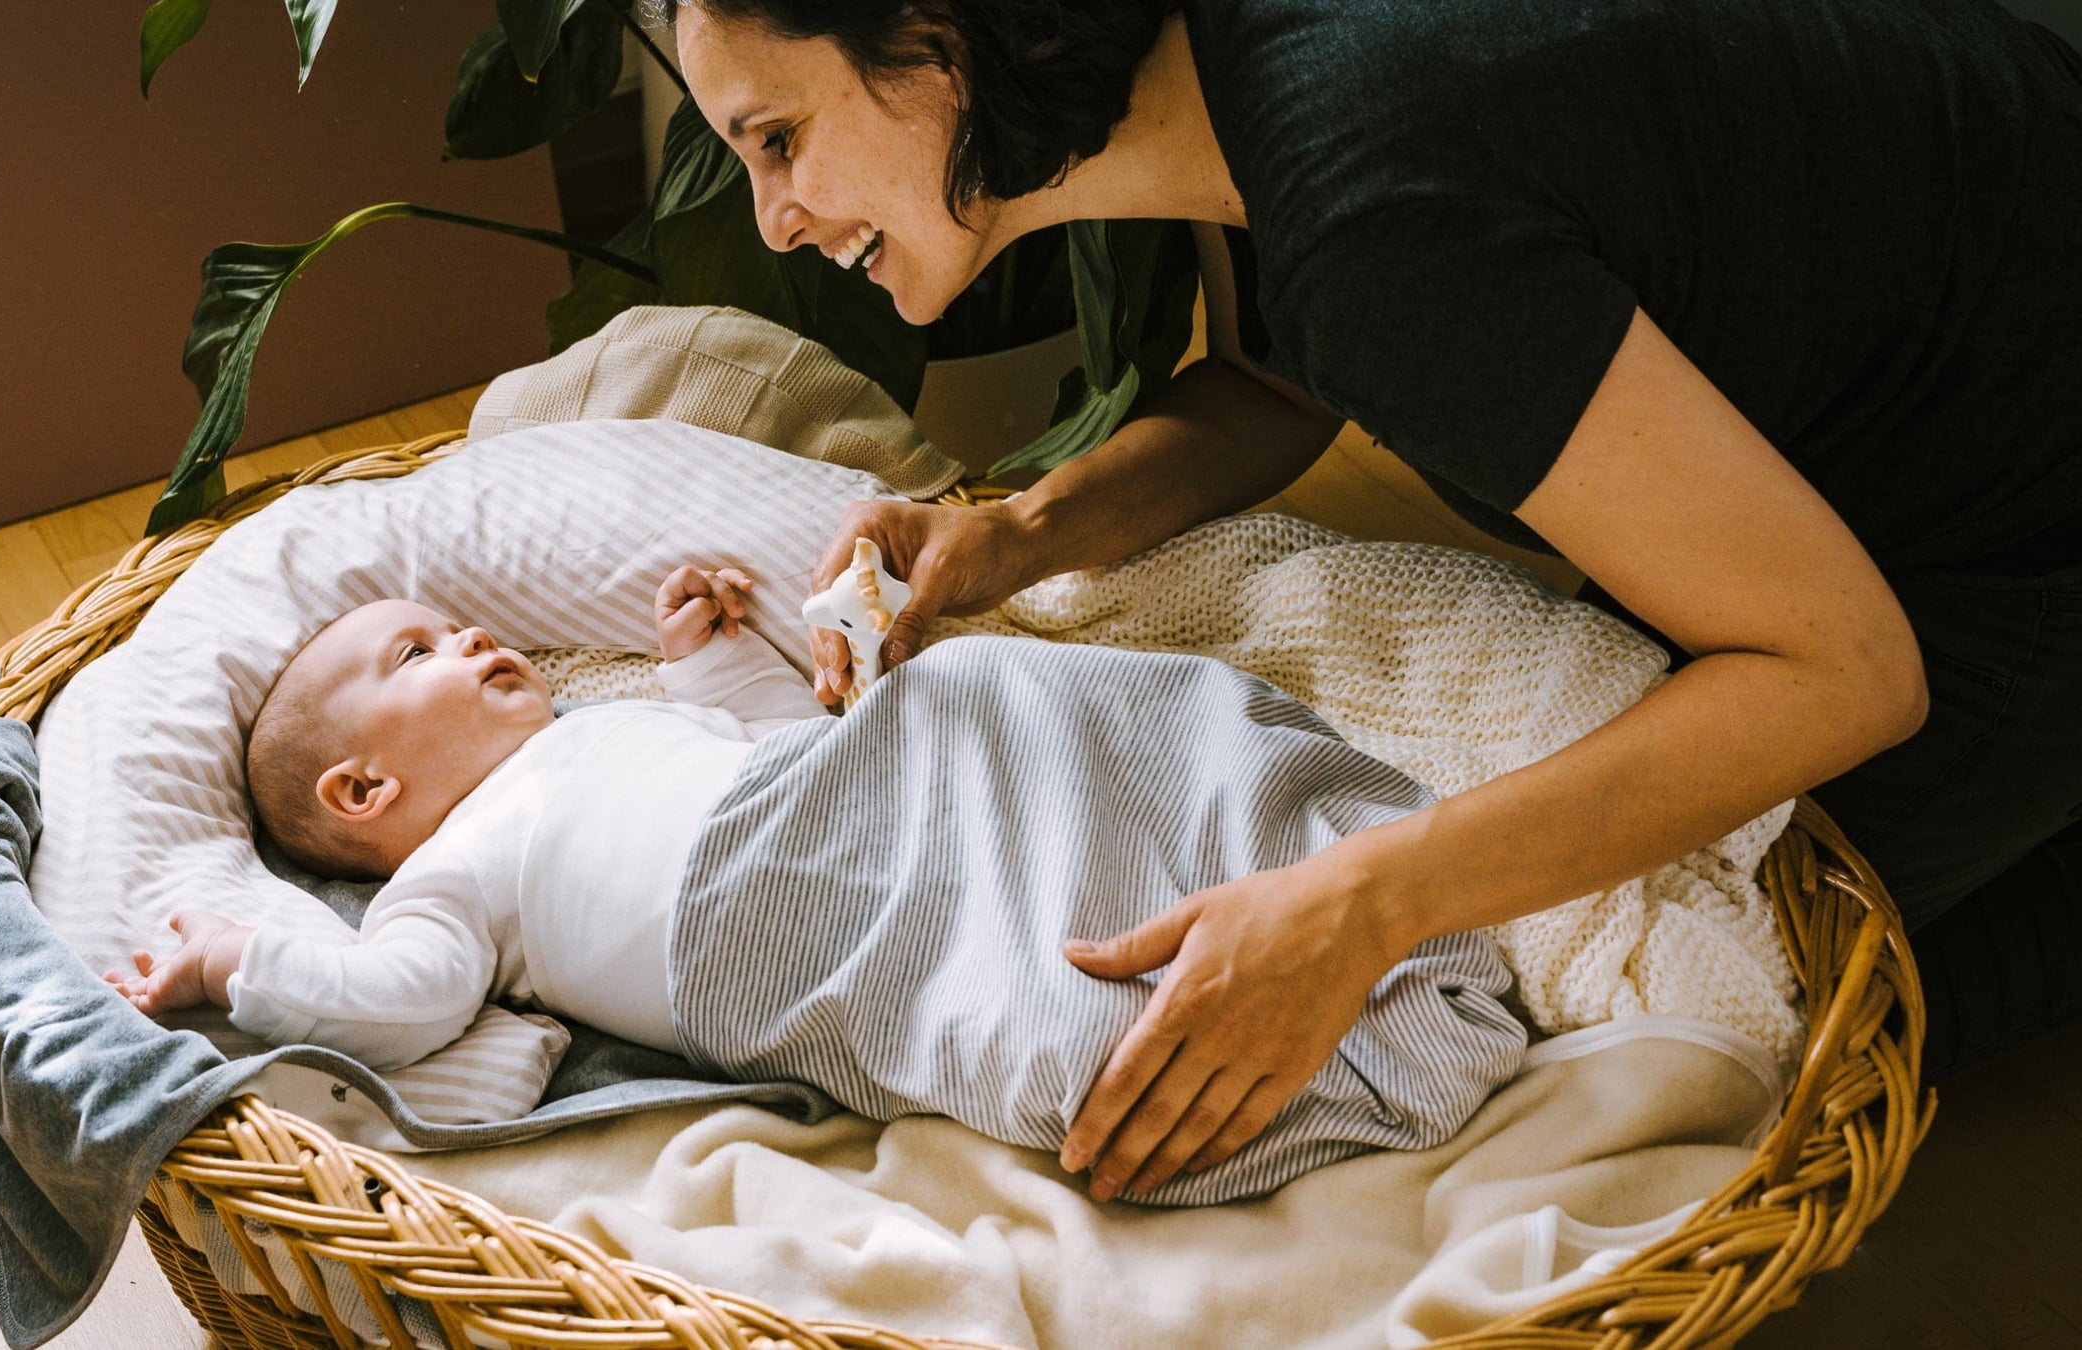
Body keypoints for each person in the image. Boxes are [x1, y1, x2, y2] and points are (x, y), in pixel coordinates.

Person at [662, 0, 2082, 1201]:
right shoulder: (1233, 84)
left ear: (929, 34)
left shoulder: (1372, 208)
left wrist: (1359, 903)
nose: (774, 221)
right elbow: (1292, 370)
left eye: (776, 139)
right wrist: (1023, 532)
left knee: (1708, 1034)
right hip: (1967, 282)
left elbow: (1844, 671)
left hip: (2011, 520)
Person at [103, 569, 1528, 1206]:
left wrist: (701, 660)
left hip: (865, 795)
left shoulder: (601, 725)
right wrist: (238, 963)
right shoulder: (456, 868)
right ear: (365, 795)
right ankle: (1371, 1053)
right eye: (416, 653)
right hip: (801, 941)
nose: (470, 636)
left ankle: (1302, 844)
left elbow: (772, 749)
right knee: (1036, 1022)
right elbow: (396, 1006)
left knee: (976, 689)